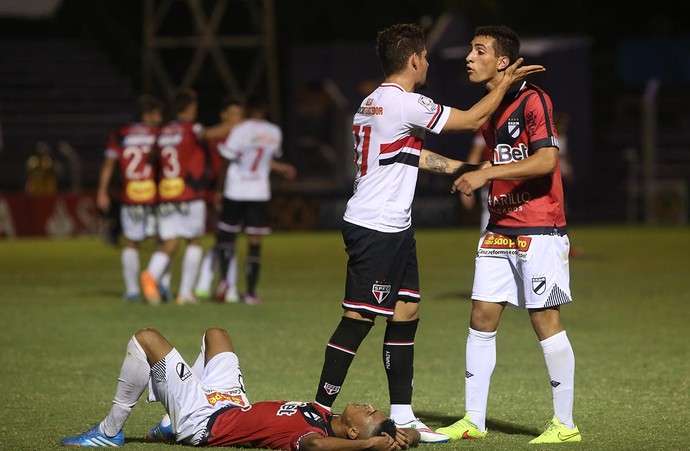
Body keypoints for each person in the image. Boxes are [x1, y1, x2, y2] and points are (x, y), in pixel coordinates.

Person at [312, 23, 544, 444]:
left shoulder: (373, 102)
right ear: (415, 59)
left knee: (406, 312)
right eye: (427, 57)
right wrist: (505, 83)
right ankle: (318, 410)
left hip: (393, 227)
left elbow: (411, 156)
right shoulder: (404, 103)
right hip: (375, 226)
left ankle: (404, 416)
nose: (430, 63)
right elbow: (473, 118)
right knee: (360, 318)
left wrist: (467, 171)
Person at [435, 25, 581, 444]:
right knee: (481, 316)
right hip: (499, 228)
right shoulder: (489, 107)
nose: (468, 58)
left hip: (539, 228)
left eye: (479, 51)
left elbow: (545, 162)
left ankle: (565, 425)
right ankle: (473, 421)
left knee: (544, 319)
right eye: (469, 50)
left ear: (503, 61)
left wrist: (486, 174)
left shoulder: (534, 99)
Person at [60, 326, 422, 450]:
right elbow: (406, 436)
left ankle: (110, 432)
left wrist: (373, 444)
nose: (370, 404)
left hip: (205, 421)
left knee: (146, 340)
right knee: (216, 335)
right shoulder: (327, 416)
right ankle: (169, 421)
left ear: (355, 431)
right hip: (231, 402)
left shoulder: (310, 433)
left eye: (371, 413)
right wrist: (407, 435)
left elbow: (315, 446)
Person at [140, 88, 232, 305]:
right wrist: (239, 124)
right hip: (190, 192)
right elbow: (210, 134)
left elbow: (153, 158)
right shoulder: (193, 128)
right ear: (191, 108)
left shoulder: (162, 131)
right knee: (194, 241)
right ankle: (185, 293)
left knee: (171, 242)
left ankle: (151, 274)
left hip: (167, 192)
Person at [207, 96, 297, 304]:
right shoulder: (274, 132)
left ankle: (226, 284)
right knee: (254, 243)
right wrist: (281, 167)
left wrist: (219, 190)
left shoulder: (240, 129)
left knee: (227, 238)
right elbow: (265, 159)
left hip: (236, 190)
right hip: (259, 192)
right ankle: (250, 293)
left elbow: (227, 160)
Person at [96, 94, 163, 301]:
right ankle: (160, 284)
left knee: (131, 242)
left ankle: (132, 290)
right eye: (158, 113)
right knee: (162, 242)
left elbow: (109, 164)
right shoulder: (158, 134)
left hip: (131, 195)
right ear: (149, 114)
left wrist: (102, 190)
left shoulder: (121, 134)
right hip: (155, 195)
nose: (160, 118)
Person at [194, 96, 246, 302]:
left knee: (227, 239)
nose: (236, 120)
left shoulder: (244, 134)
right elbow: (204, 134)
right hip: (217, 190)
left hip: (241, 192)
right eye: (232, 115)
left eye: (240, 116)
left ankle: (207, 284)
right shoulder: (219, 133)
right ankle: (225, 287)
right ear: (223, 115)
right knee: (224, 238)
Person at [459, 130, 492, 231]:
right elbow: (475, 156)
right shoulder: (486, 128)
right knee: (490, 216)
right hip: (491, 183)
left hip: (514, 181)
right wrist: (467, 184)